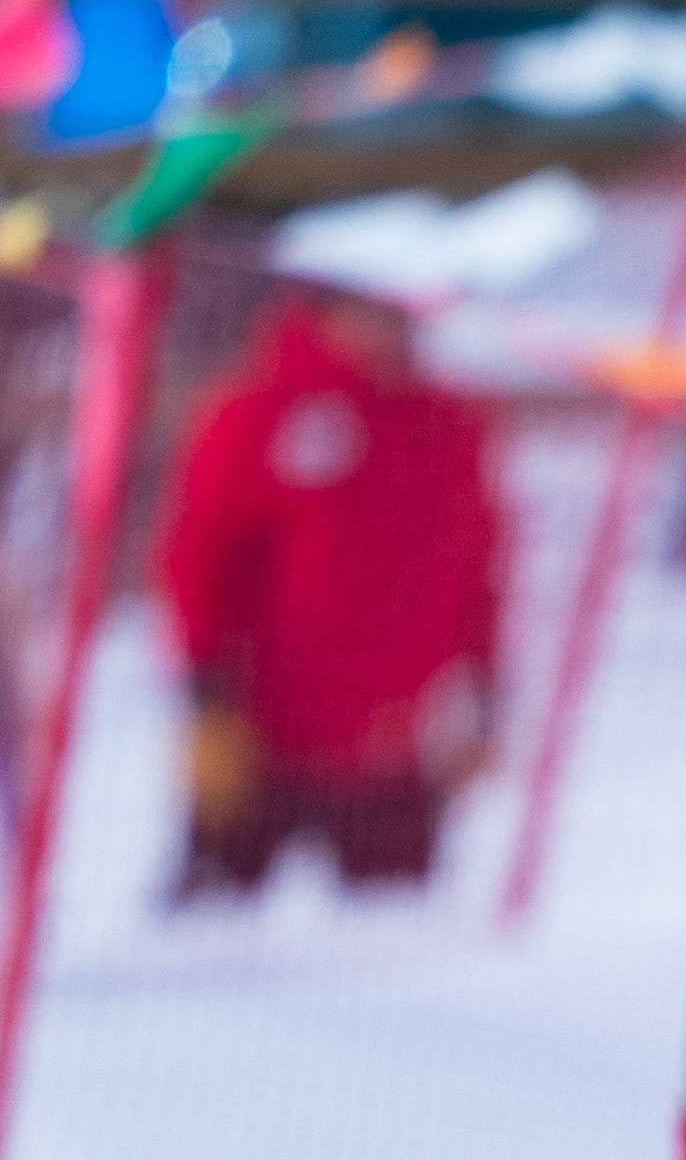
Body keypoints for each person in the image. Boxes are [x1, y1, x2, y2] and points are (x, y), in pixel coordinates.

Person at [156, 283, 504, 898]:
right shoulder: (258, 407)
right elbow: (200, 555)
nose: (387, 333)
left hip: (393, 747)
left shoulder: (449, 425)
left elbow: (479, 569)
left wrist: (485, 690)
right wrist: (205, 691)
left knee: (392, 944)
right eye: (370, 313)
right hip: (260, 736)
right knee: (209, 934)